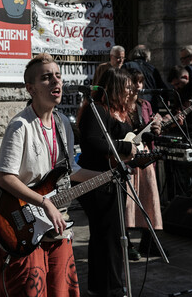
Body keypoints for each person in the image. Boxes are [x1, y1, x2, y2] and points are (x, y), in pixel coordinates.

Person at [0, 53, 83, 296]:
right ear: (31, 89)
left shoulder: (63, 123)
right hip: (25, 222)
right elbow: (4, 177)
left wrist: (109, 174)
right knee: (32, 290)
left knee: (61, 289)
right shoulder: (20, 125)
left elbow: (70, 171)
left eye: (58, 76)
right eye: (47, 78)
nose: (56, 82)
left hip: (57, 223)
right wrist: (44, 202)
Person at [76, 67, 138, 297]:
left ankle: (107, 285)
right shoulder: (96, 110)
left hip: (114, 177)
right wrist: (125, 148)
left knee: (112, 235)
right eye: (127, 86)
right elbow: (92, 142)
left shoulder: (116, 111)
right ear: (115, 87)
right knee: (106, 235)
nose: (131, 90)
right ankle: (107, 288)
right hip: (96, 180)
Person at [125, 69, 164, 258]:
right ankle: (126, 242)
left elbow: (151, 133)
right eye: (134, 82)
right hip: (127, 158)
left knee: (149, 198)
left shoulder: (145, 105)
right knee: (127, 203)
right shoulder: (120, 106)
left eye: (140, 82)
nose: (138, 86)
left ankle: (148, 243)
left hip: (145, 157)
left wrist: (157, 128)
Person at [122, 44, 168, 111]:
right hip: (151, 104)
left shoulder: (127, 65)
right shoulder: (152, 68)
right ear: (147, 54)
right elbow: (161, 87)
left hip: (135, 104)